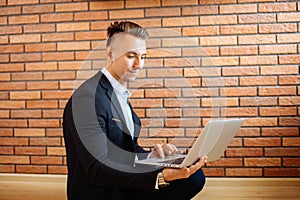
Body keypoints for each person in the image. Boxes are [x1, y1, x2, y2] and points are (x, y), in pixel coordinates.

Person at [62, 21, 207, 200]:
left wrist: (153, 156)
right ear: (110, 54)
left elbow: (125, 149)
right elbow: (97, 168)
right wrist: (159, 177)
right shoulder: (87, 99)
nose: (139, 64)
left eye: (143, 56)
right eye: (131, 56)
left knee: (193, 177)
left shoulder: (118, 93)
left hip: (121, 180)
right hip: (103, 191)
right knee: (188, 181)